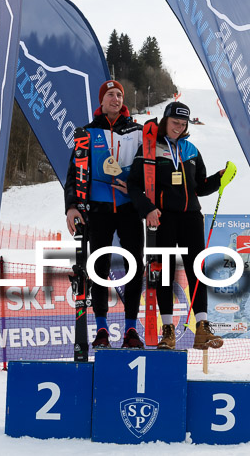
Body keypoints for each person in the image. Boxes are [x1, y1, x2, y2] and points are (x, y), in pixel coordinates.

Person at [128, 101, 226, 350]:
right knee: (165, 273)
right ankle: (168, 330)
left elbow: (200, 186)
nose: (178, 128)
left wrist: (219, 179)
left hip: (191, 217)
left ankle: (202, 327)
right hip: (164, 218)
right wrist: (147, 209)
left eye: (183, 125)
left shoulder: (191, 149)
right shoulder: (149, 148)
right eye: (175, 123)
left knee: (197, 270)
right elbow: (134, 185)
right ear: (165, 121)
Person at [64, 80, 145, 349]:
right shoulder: (87, 133)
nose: (116, 98)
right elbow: (74, 173)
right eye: (110, 94)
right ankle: (101, 331)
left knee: (135, 265)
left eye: (120, 95)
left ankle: (131, 329)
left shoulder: (137, 131)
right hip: (97, 209)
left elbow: (148, 169)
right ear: (101, 100)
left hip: (129, 208)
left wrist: (137, 189)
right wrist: (72, 206)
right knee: (98, 268)